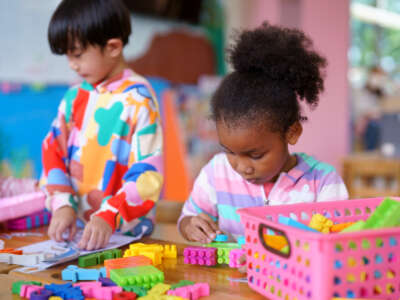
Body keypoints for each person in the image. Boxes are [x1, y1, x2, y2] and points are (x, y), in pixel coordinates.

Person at [178, 23, 349, 244]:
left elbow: (339, 243)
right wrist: (191, 225)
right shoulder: (215, 173)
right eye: (229, 151)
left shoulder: (322, 182)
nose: (241, 167)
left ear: (292, 132)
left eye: (255, 155)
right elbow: (187, 218)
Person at [41, 0, 163, 250]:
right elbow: (53, 151)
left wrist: (110, 215)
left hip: (125, 234)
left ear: (113, 47)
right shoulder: (74, 97)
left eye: (77, 54)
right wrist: (62, 203)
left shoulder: (139, 99)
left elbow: (146, 173)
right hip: (77, 233)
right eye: (67, 55)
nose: (71, 65)